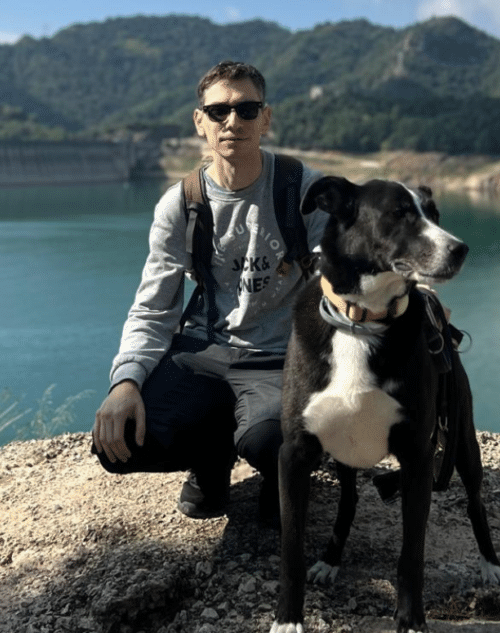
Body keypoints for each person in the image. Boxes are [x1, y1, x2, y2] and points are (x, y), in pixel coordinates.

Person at [91, 61, 328, 526]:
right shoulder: (182, 204)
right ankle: (212, 460)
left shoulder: (304, 190)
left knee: (273, 447)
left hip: (280, 360)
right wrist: (125, 382)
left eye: (246, 109)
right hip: (205, 354)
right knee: (119, 445)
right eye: (218, 111)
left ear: (266, 118)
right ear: (200, 121)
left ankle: (278, 467)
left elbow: (340, 276)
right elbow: (154, 307)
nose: (232, 122)